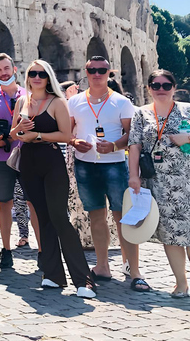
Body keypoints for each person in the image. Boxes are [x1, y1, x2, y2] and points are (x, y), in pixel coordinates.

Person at [10, 60, 96, 298]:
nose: (37, 77)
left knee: (59, 217)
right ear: (27, 77)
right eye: (33, 73)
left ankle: (83, 280)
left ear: (48, 78)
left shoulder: (57, 101)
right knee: (42, 216)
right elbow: (12, 134)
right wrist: (20, 130)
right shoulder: (21, 101)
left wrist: (35, 134)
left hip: (51, 160)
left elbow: (66, 135)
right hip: (28, 163)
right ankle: (52, 275)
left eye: (42, 74)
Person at [68, 56, 144, 288]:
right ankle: (103, 266)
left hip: (114, 165)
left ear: (109, 72)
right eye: (93, 69)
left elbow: (133, 135)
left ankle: (134, 270)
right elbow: (68, 132)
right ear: (86, 71)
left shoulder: (121, 102)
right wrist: (74, 142)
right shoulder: (74, 101)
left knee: (123, 218)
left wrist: (113, 146)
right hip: (85, 164)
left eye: (102, 70)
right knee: (96, 216)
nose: (97, 74)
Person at [128, 70, 190, 297]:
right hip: (158, 182)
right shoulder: (142, 114)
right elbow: (134, 145)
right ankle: (181, 282)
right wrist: (133, 175)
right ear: (149, 88)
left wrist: (188, 138)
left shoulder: (187, 109)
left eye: (166, 85)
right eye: (156, 85)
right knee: (171, 233)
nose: (161, 89)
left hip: (187, 178)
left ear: (174, 87)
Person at [0, 53, 40, 268]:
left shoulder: (30, 95)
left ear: (14, 69)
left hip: (28, 154)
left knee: (34, 202)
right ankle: (6, 249)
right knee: (4, 202)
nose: (3, 73)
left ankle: (43, 251)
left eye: (6, 68)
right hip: (2, 157)